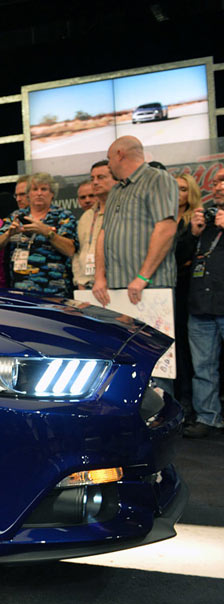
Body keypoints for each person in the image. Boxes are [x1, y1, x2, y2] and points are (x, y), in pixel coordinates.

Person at [93, 136, 178, 308]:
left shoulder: (157, 179)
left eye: (109, 159)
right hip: (115, 288)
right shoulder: (116, 190)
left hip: (151, 286)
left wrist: (142, 277)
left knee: (152, 336)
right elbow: (104, 233)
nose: (109, 165)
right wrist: (99, 277)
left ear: (120, 154)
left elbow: (166, 229)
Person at [0, 173, 78, 296]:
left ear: (52, 194)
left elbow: (70, 250)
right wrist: (8, 234)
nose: (39, 193)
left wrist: (46, 232)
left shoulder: (63, 216)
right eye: (35, 189)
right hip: (20, 291)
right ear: (29, 195)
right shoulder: (17, 216)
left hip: (54, 291)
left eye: (44, 189)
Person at [178, 206, 224, 437]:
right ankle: (208, 416)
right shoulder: (205, 223)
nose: (218, 185)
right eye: (215, 182)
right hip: (200, 305)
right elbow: (178, 258)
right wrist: (193, 234)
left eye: (222, 180)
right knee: (203, 367)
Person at [172, 173, 203, 421]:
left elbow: (184, 255)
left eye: (183, 189)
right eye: (175, 189)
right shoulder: (166, 217)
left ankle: (190, 401)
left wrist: (191, 234)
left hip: (188, 291)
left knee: (189, 350)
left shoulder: (197, 220)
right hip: (166, 289)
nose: (178, 193)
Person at [73, 160, 114, 290]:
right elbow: (78, 252)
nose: (95, 182)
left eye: (100, 177)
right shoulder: (86, 217)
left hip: (113, 285)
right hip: (86, 286)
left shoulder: (122, 211)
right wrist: (79, 281)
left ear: (116, 179)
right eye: (92, 178)